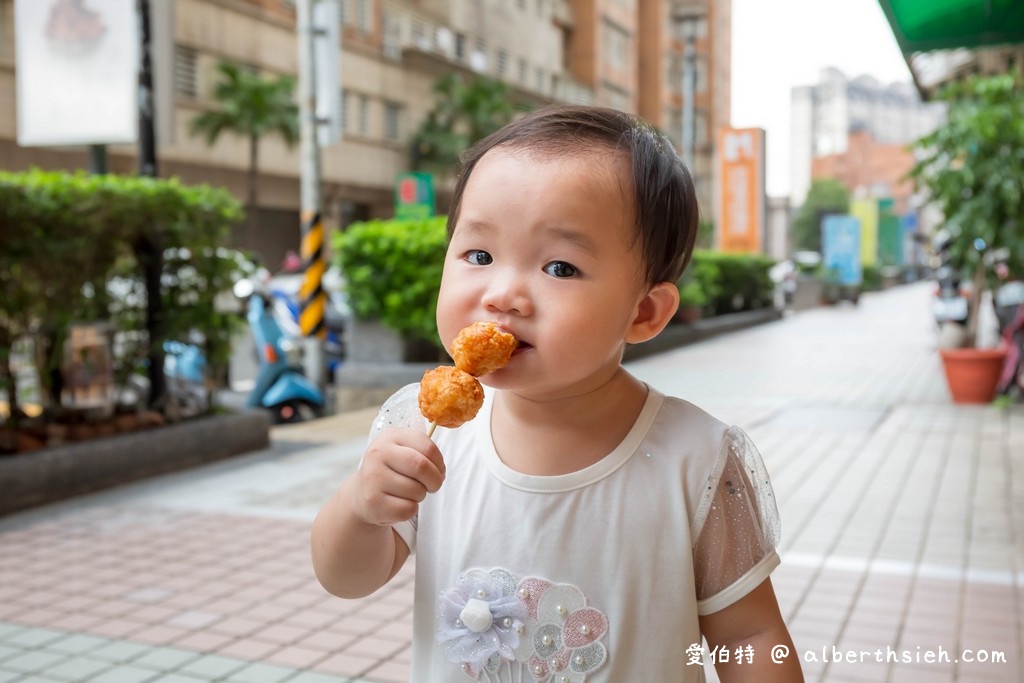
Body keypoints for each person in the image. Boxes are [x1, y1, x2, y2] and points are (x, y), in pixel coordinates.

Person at [311, 106, 802, 682]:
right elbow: (346, 579)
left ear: (643, 312)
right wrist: (361, 508)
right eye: (479, 255)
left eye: (560, 267)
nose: (503, 295)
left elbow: (748, 633)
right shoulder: (419, 427)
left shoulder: (697, 460)